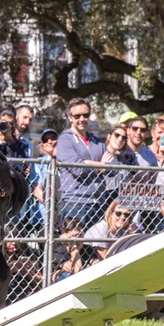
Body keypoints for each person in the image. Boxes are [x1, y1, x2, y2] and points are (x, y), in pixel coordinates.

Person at [56, 97, 107, 231]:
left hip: (99, 203)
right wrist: (101, 165)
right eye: (77, 116)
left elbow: (113, 166)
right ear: (70, 117)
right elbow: (77, 168)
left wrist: (88, 163)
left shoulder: (96, 141)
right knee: (74, 249)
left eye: (85, 115)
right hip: (76, 203)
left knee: (96, 249)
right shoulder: (64, 140)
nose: (82, 119)